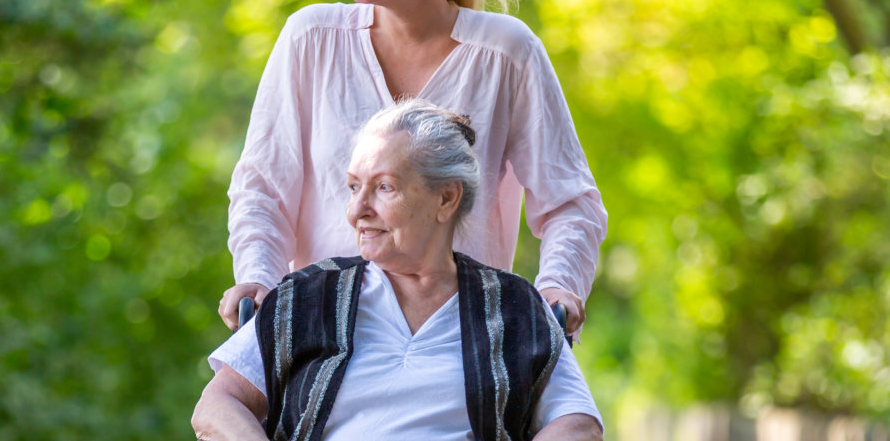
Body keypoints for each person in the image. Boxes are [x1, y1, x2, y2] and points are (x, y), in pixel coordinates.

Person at [221, 0, 607, 339]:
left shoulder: (506, 53)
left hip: (456, 338)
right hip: (325, 331)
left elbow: (570, 201)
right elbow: (262, 186)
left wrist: (559, 288)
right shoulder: (312, 38)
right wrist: (257, 277)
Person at [194, 101, 603, 440]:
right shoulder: (306, 296)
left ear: (446, 198)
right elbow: (217, 405)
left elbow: (578, 424)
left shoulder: (514, 307)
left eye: (384, 187)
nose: (357, 211)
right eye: (354, 186)